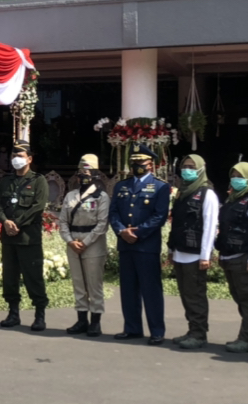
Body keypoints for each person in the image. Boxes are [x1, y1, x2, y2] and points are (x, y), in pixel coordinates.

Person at [110, 144, 170, 346]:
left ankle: (156, 331)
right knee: (128, 289)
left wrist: (137, 232)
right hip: (125, 245)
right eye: (134, 162)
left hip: (146, 246)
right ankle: (132, 328)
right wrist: (121, 231)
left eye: (140, 162)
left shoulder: (161, 187)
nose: (136, 166)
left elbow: (159, 216)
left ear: (150, 164)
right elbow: (114, 213)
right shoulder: (121, 186)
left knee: (150, 290)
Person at [0, 140, 49, 331]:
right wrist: (5, 221)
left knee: (33, 277)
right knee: (10, 277)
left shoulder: (38, 180)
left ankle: (40, 315)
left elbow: (38, 206)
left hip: (29, 239)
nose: (17, 159)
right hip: (9, 238)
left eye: (20, 156)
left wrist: (17, 223)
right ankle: (13, 313)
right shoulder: (6, 181)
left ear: (29, 159)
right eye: (14, 156)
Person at [216, 162, 248, 353]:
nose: (236, 180)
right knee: (240, 297)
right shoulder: (233, 199)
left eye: (240, 176)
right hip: (230, 256)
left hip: (246, 258)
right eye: (234, 175)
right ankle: (247, 335)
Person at [167, 155, 219, 350]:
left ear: (201, 169)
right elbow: (177, 224)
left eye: (191, 167)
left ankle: (199, 333)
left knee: (195, 295)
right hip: (181, 251)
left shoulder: (207, 194)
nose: (187, 170)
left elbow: (210, 226)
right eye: (185, 166)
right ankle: (192, 330)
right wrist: (171, 249)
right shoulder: (182, 192)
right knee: (186, 295)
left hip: (196, 255)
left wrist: (206, 255)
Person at [58, 154, 111, 337]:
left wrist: (86, 242)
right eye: (81, 171)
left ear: (95, 173)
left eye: (87, 171)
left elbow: (102, 224)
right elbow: (62, 221)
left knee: (94, 284)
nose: (83, 174)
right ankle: (82, 319)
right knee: (78, 283)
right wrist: (70, 241)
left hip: (93, 242)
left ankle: (95, 321)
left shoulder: (102, 196)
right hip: (73, 240)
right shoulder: (71, 195)